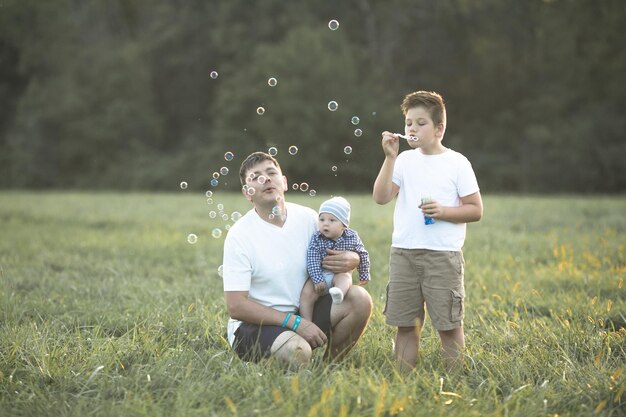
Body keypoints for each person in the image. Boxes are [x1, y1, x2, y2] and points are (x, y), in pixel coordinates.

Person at [222, 152, 373, 367]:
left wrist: (353, 258)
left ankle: (329, 368)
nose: (265, 179)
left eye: (271, 172)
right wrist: (294, 322)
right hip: (255, 325)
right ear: (248, 193)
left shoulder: (309, 218)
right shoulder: (240, 235)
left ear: (283, 182)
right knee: (298, 351)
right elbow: (236, 306)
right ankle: (282, 357)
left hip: (305, 310)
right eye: (256, 177)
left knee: (360, 299)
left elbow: (343, 248)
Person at [372, 90, 483, 371]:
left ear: (439, 128)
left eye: (421, 123)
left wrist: (444, 212)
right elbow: (381, 197)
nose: (412, 128)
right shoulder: (404, 161)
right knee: (406, 324)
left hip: (442, 256)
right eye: (409, 122)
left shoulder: (457, 163)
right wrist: (389, 158)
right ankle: (403, 378)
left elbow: (475, 209)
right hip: (404, 254)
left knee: (448, 325)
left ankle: (455, 377)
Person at [300, 196, 370, 321]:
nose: (325, 223)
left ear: (344, 225)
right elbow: (312, 258)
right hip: (320, 274)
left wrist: (364, 274)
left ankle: (339, 293)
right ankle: (306, 321)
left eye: (332, 220)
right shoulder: (317, 237)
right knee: (306, 294)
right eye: (322, 219)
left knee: (345, 278)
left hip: (339, 273)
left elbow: (362, 254)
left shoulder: (352, 237)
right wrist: (317, 279)